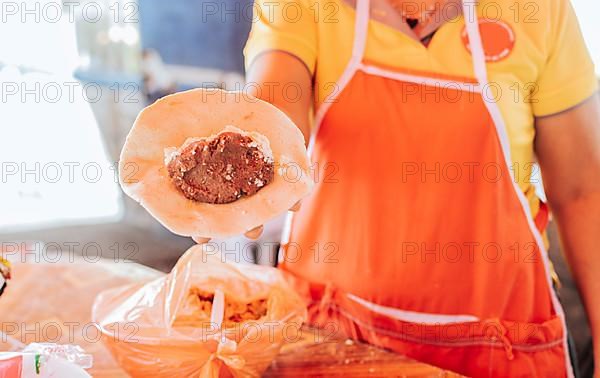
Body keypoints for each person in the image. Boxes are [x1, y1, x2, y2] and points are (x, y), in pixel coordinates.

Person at [238, 0, 600, 376]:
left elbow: (583, 191)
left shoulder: (539, 11)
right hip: (331, 340)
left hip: (500, 349)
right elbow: (273, 114)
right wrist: (241, 162)